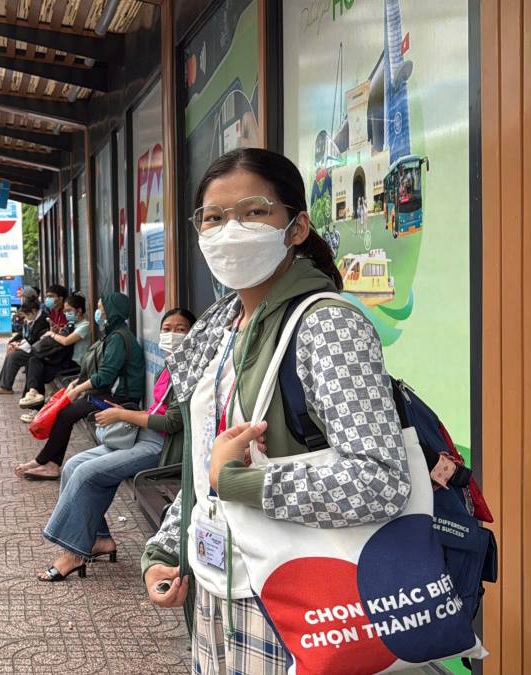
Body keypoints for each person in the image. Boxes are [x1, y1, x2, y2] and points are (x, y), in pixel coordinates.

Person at [142, 148, 422, 674]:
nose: (230, 231)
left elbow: (382, 480)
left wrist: (243, 483)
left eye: (253, 212)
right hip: (218, 589)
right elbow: (208, 468)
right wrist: (165, 547)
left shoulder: (327, 326)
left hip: (297, 602)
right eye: (214, 218)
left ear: (295, 227)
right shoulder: (221, 329)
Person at [36, 308, 197, 582]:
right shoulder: (170, 364)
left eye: (181, 329)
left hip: (162, 447)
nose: (172, 335)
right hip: (141, 437)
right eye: (167, 328)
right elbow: (157, 410)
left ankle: (73, 552)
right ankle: (99, 539)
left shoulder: (190, 367)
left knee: (88, 474)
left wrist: (122, 414)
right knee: (73, 465)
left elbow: (172, 423)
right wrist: (122, 413)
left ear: (194, 333)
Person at [15, 292, 145, 480]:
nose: (98, 312)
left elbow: (105, 376)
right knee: (65, 412)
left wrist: (77, 389)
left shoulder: (118, 337)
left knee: (66, 414)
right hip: (108, 393)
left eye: (101, 308)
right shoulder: (113, 333)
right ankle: (48, 462)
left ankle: (47, 463)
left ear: (111, 311)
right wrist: (78, 382)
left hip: (120, 398)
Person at [16, 294, 90, 414]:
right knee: (33, 362)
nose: (66, 314)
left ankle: (35, 406)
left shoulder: (85, 326)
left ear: (79, 310)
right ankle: (32, 393)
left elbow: (66, 341)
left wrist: (52, 334)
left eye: (69, 311)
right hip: (63, 360)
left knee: (36, 368)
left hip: (74, 364)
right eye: (65, 311)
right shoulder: (72, 324)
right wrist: (56, 330)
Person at [0, 299, 49, 394]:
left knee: (14, 356)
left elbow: (34, 340)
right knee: (12, 353)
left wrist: (19, 346)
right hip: (32, 347)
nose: (26, 317)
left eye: (27, 314)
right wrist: (13, 342)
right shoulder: (34, 319)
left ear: (33, 311)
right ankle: (1, 382)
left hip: (38, 352)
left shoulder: (43, 320)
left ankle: (6, 387)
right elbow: (26, 336)